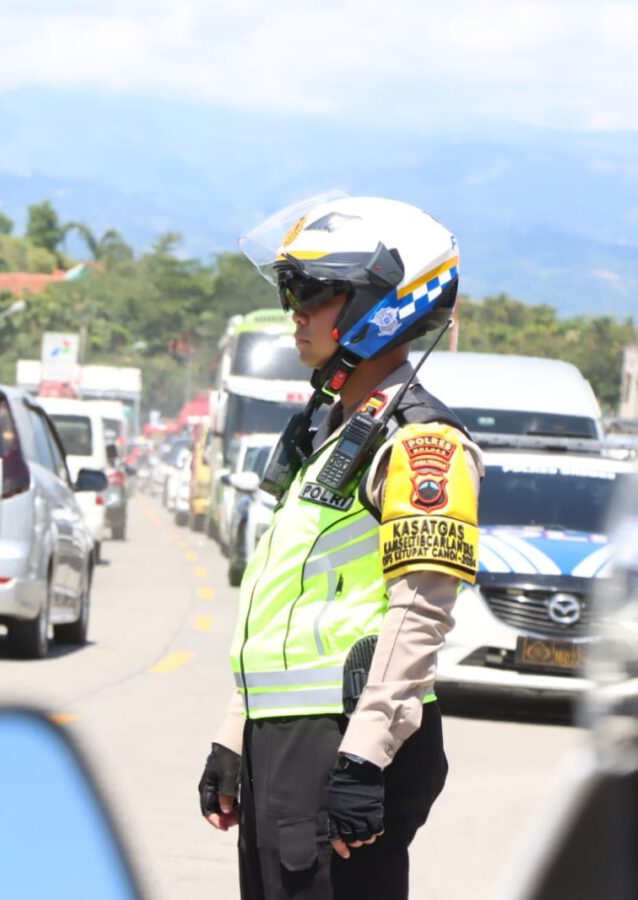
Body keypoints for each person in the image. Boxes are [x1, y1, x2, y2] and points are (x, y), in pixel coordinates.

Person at [198, 195, 483, 900]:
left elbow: (420, 611)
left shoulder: (421, 443)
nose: (295, 310)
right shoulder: (327, 432)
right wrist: (236, 734)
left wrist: (364, 756)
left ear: (386, 303)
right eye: (289, 289)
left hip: (346, 740)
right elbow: (283, 605)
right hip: (288, 739)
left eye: (315, 292)